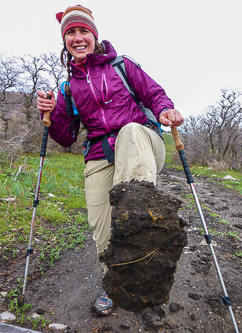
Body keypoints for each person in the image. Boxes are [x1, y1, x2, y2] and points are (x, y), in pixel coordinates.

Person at [37, 5, 184, 316]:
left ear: (94, 35)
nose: (78, 38)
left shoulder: (121, 65)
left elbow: (154, 93)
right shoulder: (68, 87)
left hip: (141, 143)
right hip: (98, 155)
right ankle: (117, 286)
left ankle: (146, 225)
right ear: (65, 40)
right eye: (71, 33)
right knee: (104, 232)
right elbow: (65, 136)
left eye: (83, 31)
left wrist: (165, 110)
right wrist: (47, 112)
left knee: (130, 131)